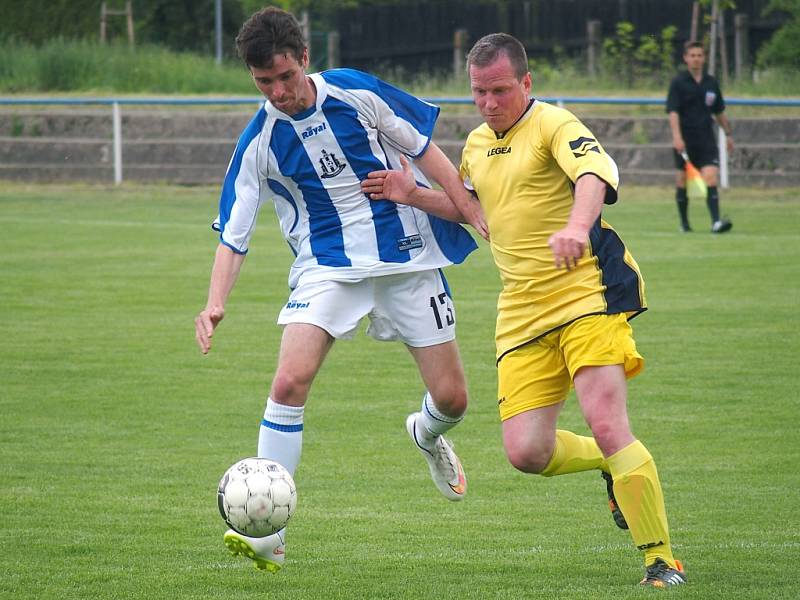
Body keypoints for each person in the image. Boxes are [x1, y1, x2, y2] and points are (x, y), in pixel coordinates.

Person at [362, 33, 686, 588]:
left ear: (527, 84)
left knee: (607, 422)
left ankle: (660, 559)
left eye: (501, 90)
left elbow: (593, 176)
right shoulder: (474, 144)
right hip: (521, 309)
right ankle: (611, 468)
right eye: (479, 92)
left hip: (586, 292)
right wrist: (410, 191)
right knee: (526, 451)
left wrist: (577, 228)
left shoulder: (555, 125)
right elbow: (474, 207)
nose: (489, 102)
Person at [195, 6, 481, 573]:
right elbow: (235, 231)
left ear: (305, 59)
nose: (278, 91)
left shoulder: (354, 92)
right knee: (289, 380)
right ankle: (266, 533)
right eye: (264, 83)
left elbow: (425, 150)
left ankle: (424, 434)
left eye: (285, 76)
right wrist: (215, 301)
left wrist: (470, 210)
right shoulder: (259, 141)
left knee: (453, 400)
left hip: (406, 258)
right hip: (327, 270)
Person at [667, 41, 734, 234]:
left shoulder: (711, 83)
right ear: (686, 58)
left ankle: (715, 222)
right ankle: (684, 224)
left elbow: (719, 111)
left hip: (706, 139)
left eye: (699, 55)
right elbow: (673, 112)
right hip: (685, 140)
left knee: (710, 178)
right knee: (681, 181)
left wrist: (728, 134)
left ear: (704, 58)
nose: (696, 58)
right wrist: (677, 137)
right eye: (692, 55)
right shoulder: (678, 83)